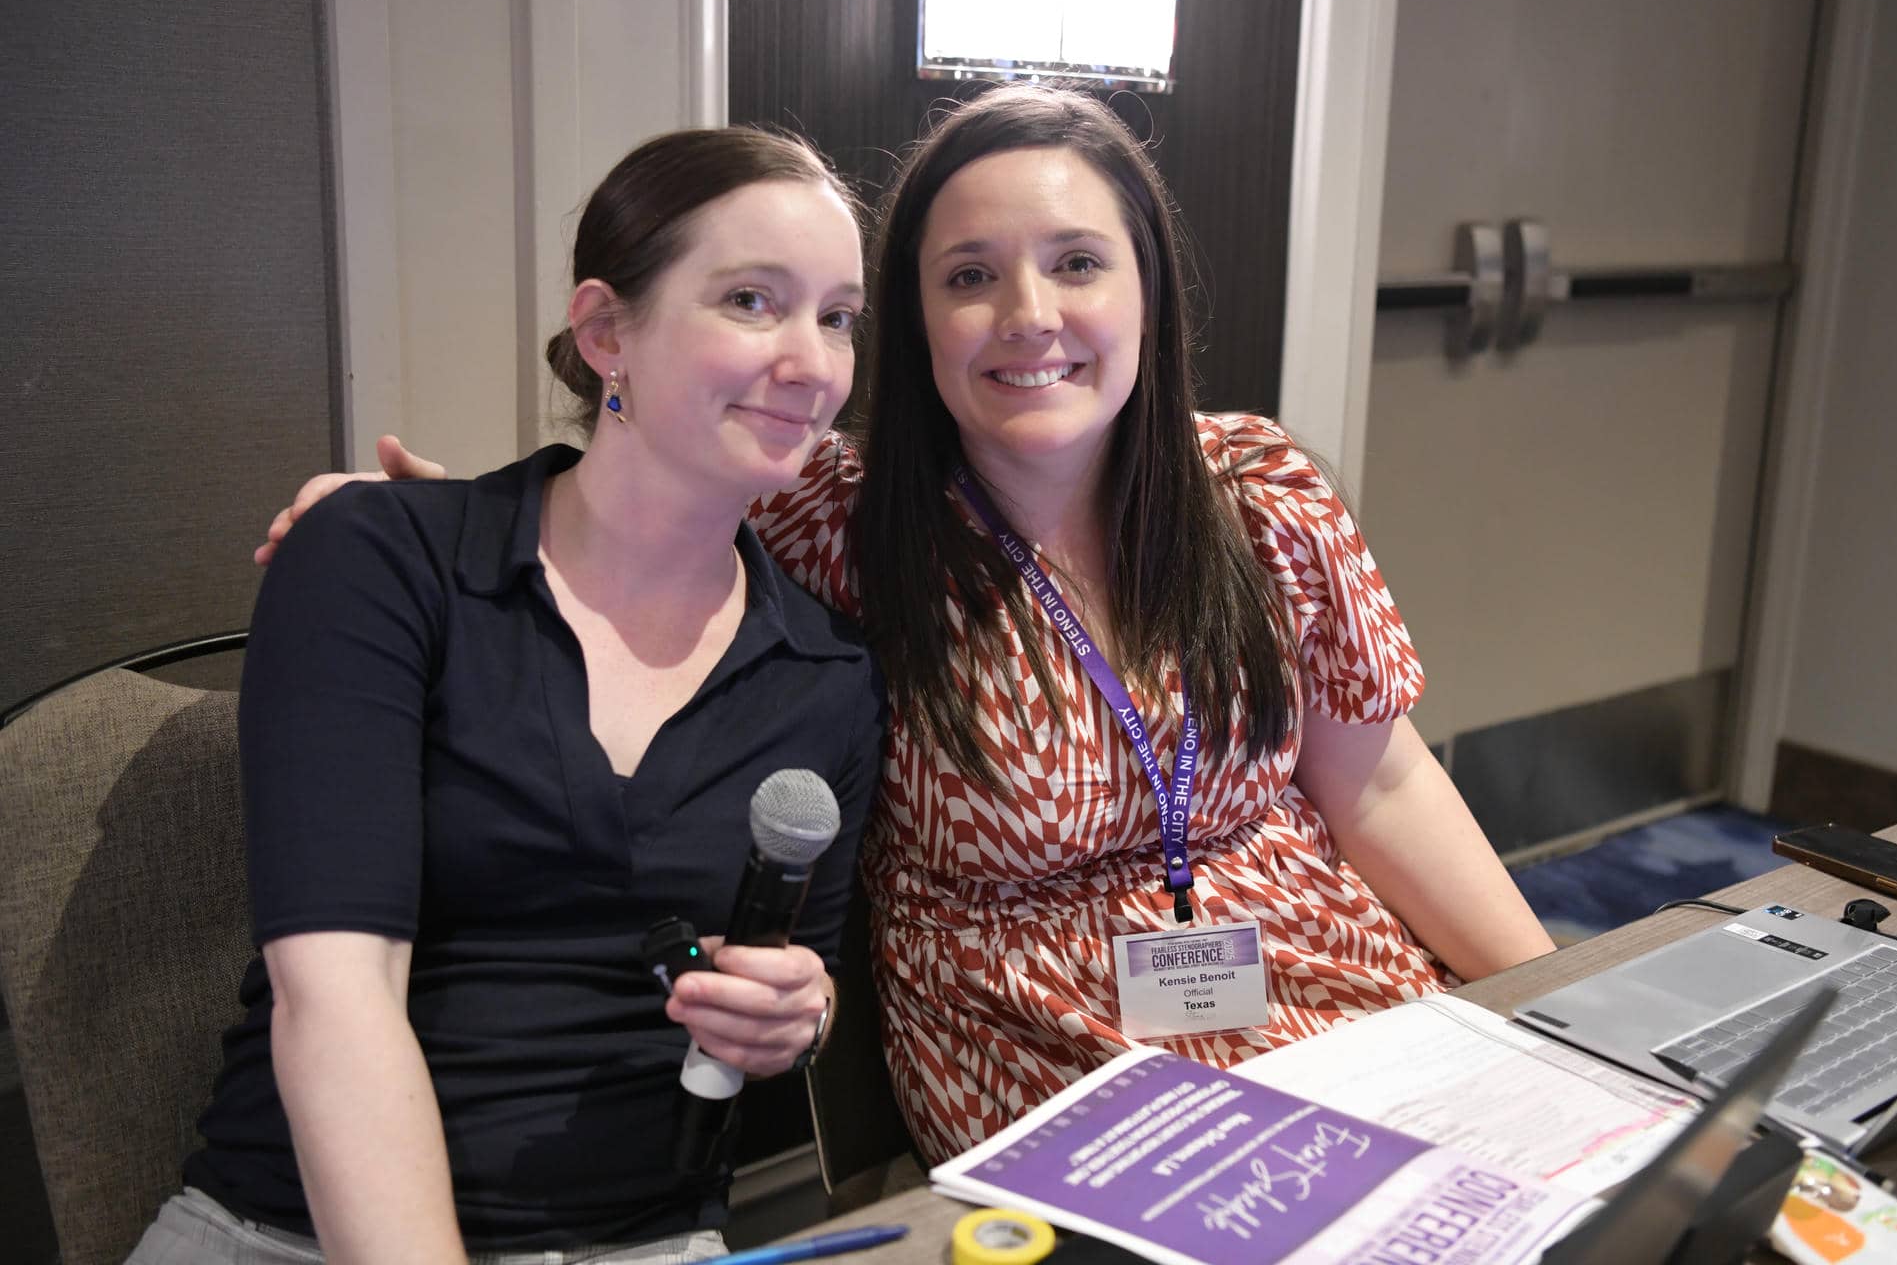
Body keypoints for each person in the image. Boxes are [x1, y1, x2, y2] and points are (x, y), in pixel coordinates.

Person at [257, 85, 1554, 1168]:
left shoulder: (1258, 492)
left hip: (1340, 997)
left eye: (1079, 263)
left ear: (1148, 290)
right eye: (970, 277)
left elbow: (1380, 785)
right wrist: (422, 522)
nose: (1030, 314)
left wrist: (1558, 1010)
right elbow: (631, 498)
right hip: (1064, 1069)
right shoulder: (842, 519)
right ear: (918, 323)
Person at [144, 128, 886, 1263]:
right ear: (606, 333)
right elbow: (334, 996)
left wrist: (796, 1013)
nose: (813, 362)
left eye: (837, 316)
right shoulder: (380, 558)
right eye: (752, 300)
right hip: (294, 1230)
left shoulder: (828, 674)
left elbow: (806, 972)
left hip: (640, 1237)